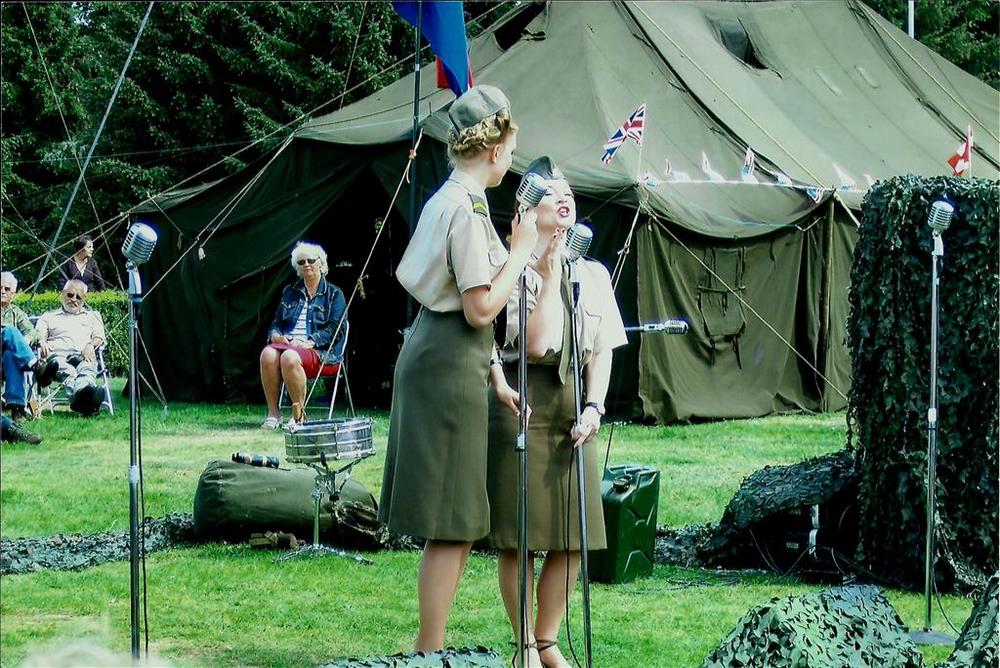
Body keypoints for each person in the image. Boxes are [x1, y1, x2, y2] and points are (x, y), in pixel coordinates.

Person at [378, 84, 539, 653]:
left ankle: (430, 647)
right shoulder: (467, 210)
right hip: (447, 360)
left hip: (451, 354)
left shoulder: (450, 197)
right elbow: (478, 307)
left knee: (458, 519)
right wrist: (521, 252)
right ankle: (428, 652)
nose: (511, 159)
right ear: (495, 149)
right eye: (511, 149)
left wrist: (497, 376)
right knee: (452, 521)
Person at [486, 157, 628, 668]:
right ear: (528, 205)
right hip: (523, 401)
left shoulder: (592, 272)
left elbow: (603, 347)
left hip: (574, 406)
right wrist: (547, 277)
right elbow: (535, 344)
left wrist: (595, 406)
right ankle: (524, 643)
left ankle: (548, 641)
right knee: (519, 537)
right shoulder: (509, 266)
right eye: (551, 192)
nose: (564, 198)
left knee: (574, 536)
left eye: (568, 191)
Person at [258, 241, 347, 429]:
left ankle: (299, 416)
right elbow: (276, 322)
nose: (306, 264)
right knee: (267, 354)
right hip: (289, 344)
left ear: (321, 263)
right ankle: (273, 414)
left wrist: (310, 342)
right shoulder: (289, 292)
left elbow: (336, 329)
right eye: (301, 262)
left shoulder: (334, 294)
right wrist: (275, 334)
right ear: (297, 268)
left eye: (310, 260)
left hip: (320, 351)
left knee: (289, 357)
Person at [36, 279, 108, 416]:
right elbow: (38, 335)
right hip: (58, 355)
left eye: (78, 297)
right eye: (70, 295)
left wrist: (90, 345)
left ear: (84, 299)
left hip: (83, 355)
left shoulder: (93, 316)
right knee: (69, 371)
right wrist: (42, 342)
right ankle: (85, 398)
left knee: (87, 368)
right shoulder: (49, 316)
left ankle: (81, 399)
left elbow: (100, 337)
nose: (74, 299)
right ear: (63, 294)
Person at [2, 323, 57, 421]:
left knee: (10, 355)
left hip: (11, 360)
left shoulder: (17, 314)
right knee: (10, 331)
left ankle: (17, 407)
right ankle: (35, 366)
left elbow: (33, 332)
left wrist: (23, 341)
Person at [1, 271, 38, 344]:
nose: (2, 291)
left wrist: (25, 340)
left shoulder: (16, 312)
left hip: (9, 349)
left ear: (12, 294)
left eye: (7, 289)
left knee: (11, 331)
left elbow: (31, 332)